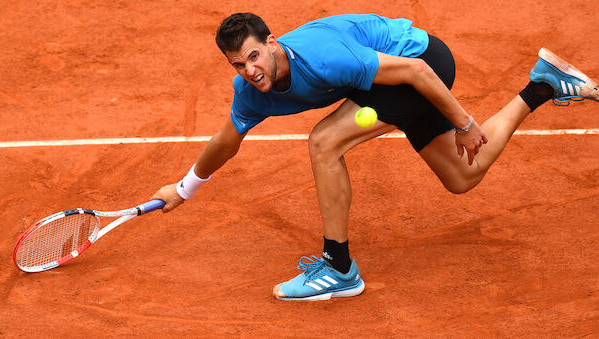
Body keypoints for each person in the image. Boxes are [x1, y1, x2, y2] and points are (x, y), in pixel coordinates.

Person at [151, 13, 598, 301]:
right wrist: (185, 189)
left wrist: (464, 123)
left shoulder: (321, 57)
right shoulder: (251, 91)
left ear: (271, 43)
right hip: (383, 86)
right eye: (238, 64)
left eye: (253, 56)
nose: (250, 70)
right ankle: (541, 87)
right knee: (464, 176)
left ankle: (339, 267)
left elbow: (417, 71)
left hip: (420, 61)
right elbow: (227, 141)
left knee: (324, 141)